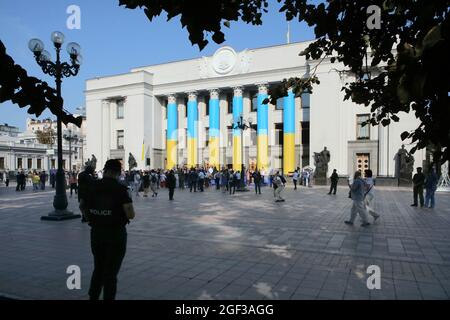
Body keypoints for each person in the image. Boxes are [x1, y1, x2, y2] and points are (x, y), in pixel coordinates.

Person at [80, 159, 135, 300]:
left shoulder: (91, 186)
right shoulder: (121, 189)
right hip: (115, 234)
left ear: (104, 170)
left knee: (98, 268)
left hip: (97, 233)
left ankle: (93, 297)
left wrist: (91, 218)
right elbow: (130, 214)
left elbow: (82, 206)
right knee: (110, 273)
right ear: (117, 173)